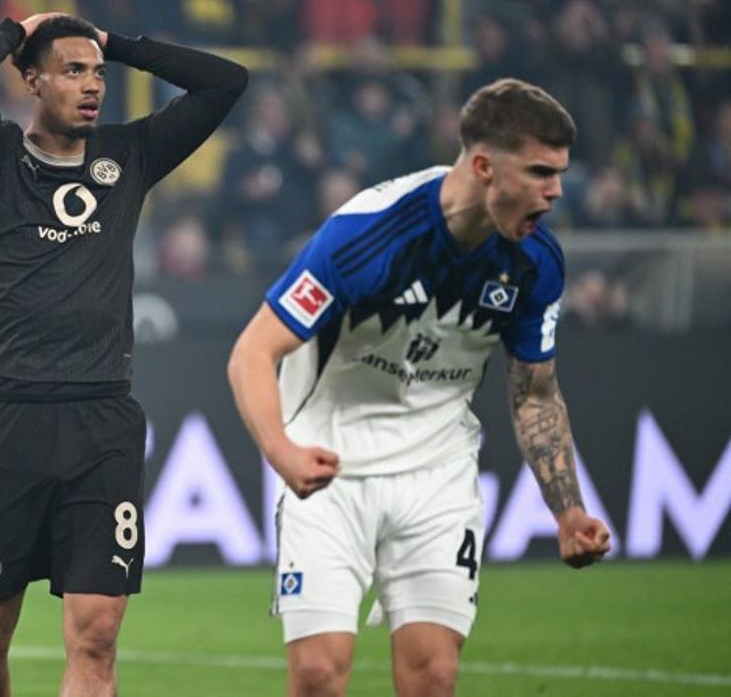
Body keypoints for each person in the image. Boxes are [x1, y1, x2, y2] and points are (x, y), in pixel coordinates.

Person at [226, 78, 611, 697]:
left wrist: (566, 511)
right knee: (319, 675)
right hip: (331, 465)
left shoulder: (537, 262)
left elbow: (536, 392)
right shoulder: (367, 233)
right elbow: (253, 351)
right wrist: (282, 452)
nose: (556, 192)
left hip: (438, 472)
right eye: (541, 172)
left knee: (433, 675)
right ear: (484, 167)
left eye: (559, 173)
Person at [0, 13, 246, 696]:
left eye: (98, 74)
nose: (93, 86)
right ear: (30, 80)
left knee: (97, 637)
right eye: (73, 71)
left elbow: (226, 83)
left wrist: (118, 44)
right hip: (8, 420)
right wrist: (16, 28)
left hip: (102, 422)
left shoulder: (130, 154)